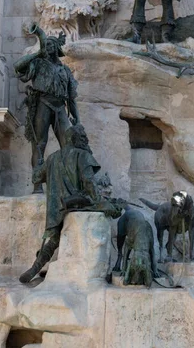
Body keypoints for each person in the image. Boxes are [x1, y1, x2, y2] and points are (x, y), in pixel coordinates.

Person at [19, 124, 121, 284]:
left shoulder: (52, 158)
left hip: (56, 211)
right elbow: (89, 183)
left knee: (53, 240)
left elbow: (36, 178)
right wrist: (100, 200)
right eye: (83, 138)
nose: (86, 141)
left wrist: (39, 164)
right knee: (112, 208)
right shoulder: (83, 155)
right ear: (76, 139)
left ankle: (35, 267)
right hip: (77, 204)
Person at [14, 25, 79, 193]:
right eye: (46, 45)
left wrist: (77, 118)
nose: (48, 47)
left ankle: (68, 186)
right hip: (42, 105)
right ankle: (37, 186)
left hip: (60, 108)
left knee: (69, 144)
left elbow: (71, 97)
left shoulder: (65, 70)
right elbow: (18, 67)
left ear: (57, 48)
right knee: (39, 145)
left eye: (51, 45)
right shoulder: (38, 64)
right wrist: (37, 53)